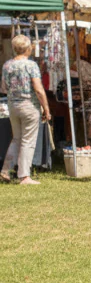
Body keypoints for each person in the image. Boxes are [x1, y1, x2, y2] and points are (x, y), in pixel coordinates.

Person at [1, 34, 51, 185]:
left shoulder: (7, 65)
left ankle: (5, 169)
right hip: (29, 105)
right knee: (28, 141)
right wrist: (46, 108)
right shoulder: (31, 65)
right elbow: (38, 89)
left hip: (13, 105)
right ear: (28, 48)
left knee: (17, 139)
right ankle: (24, 176)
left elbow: (4, 88)